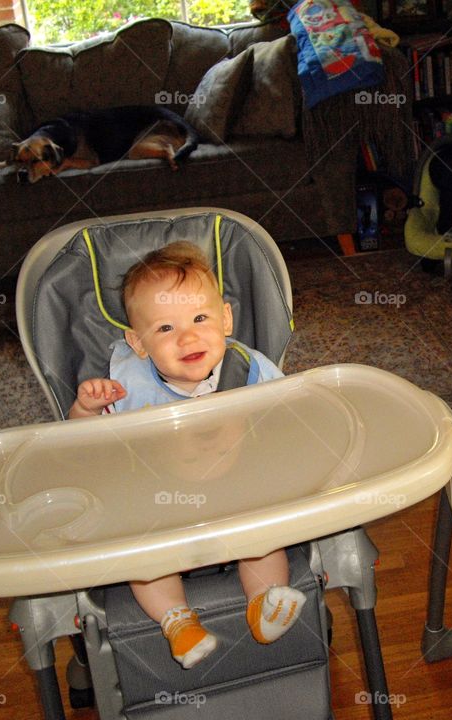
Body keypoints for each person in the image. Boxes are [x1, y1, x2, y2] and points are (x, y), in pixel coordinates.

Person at [68, 241, 305, 669]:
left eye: (200, 318)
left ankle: (264, 606)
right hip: (162, 510)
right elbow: (85, 448)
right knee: (145, 560)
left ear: (226, 318)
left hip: (239, 498)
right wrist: (86, 409)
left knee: (264, 543)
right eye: (165, 329)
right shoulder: (124, 386)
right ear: (137, 343)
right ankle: (178, 624)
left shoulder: (250, 371)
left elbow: (290, 422)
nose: (188, 336)